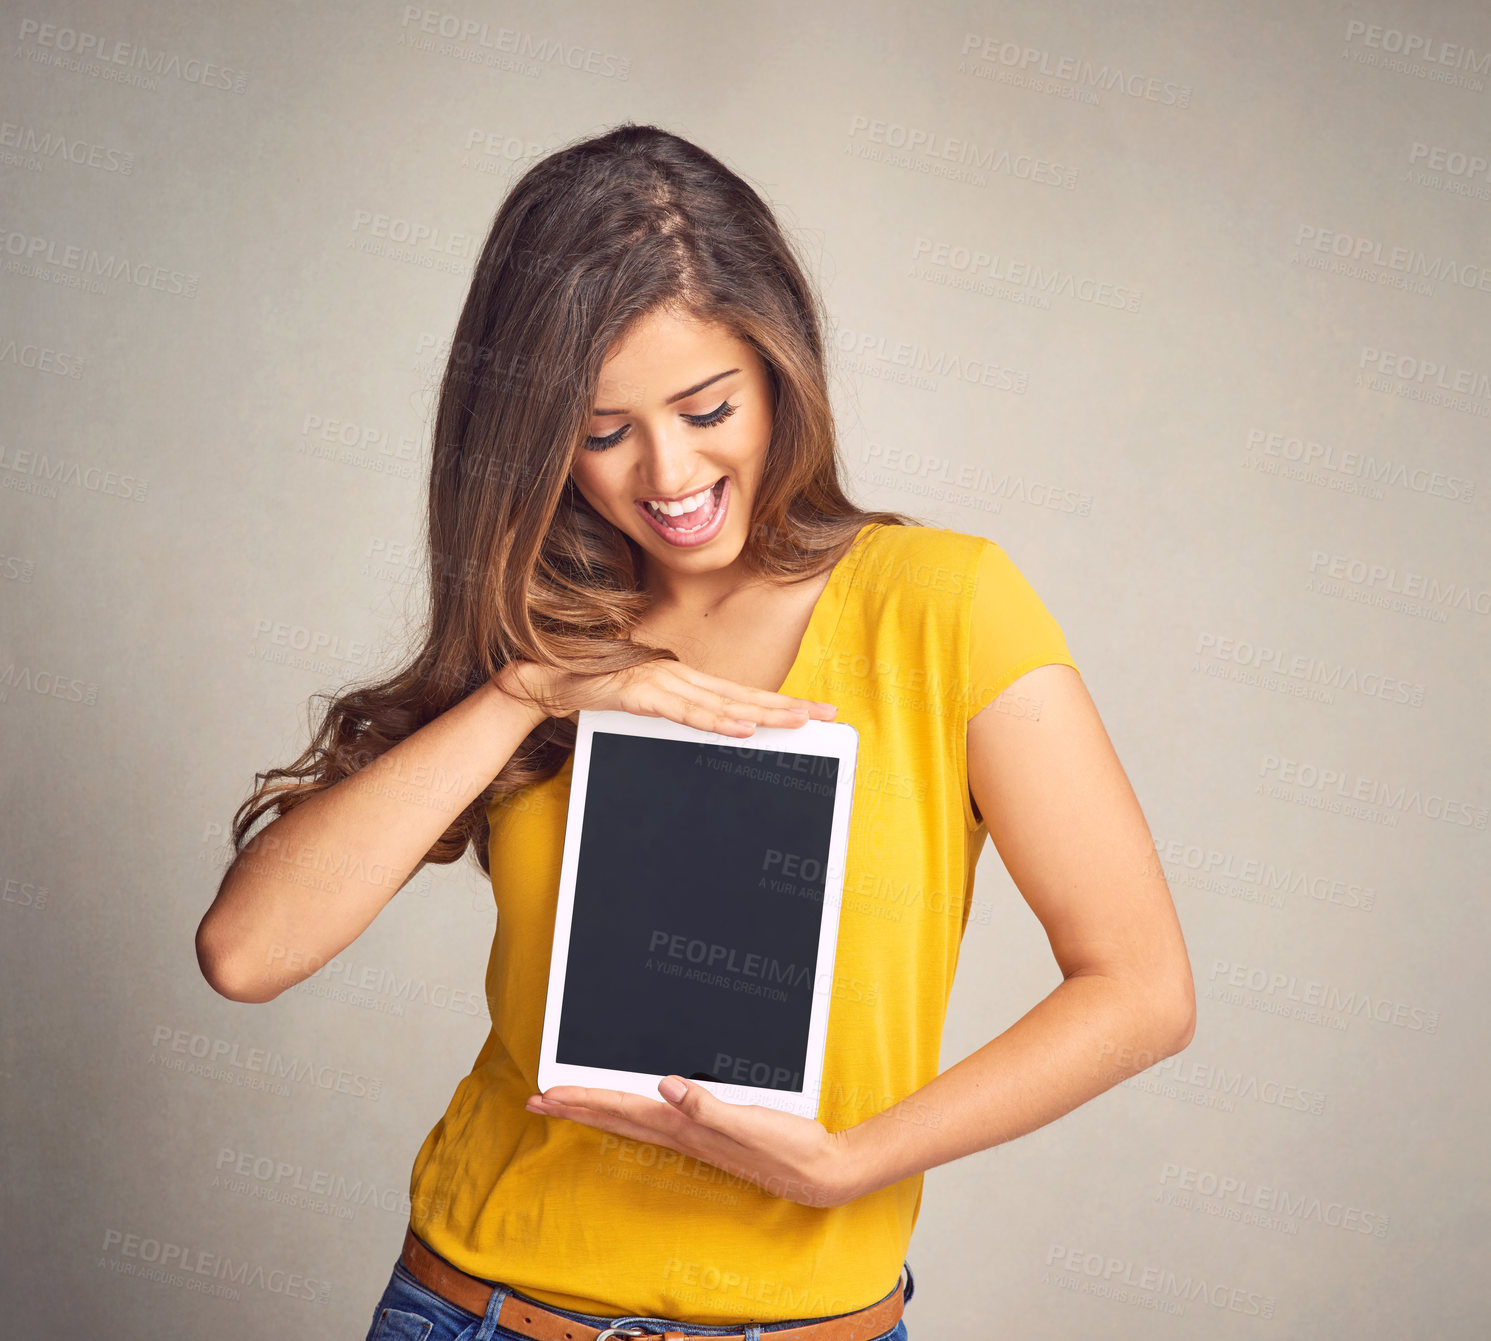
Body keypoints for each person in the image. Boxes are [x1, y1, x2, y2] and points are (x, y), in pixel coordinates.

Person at [195, 122, 1195, 1341]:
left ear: (779, 371)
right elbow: (246, 955)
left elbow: (1142, 991)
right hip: (481, 1310)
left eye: (708, 406)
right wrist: (531, 689)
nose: (668, 473)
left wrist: (851, 1162)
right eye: (604, 432)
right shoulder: (545, 630)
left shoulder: (946, 607)